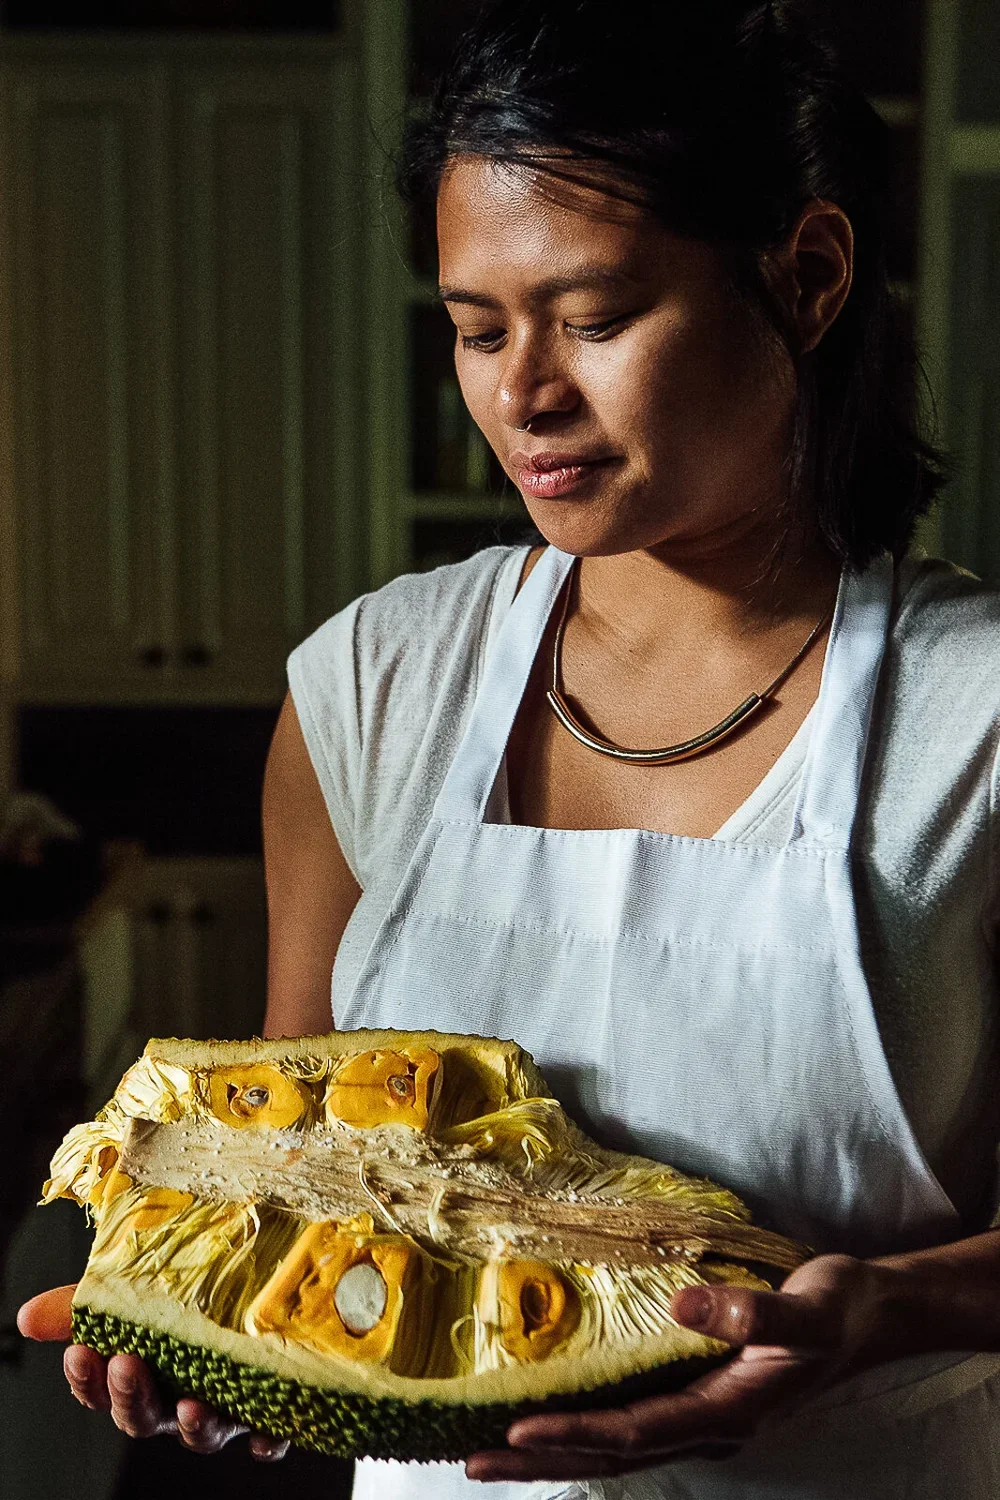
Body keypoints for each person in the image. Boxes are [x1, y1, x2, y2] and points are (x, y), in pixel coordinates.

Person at [18, 0, 1000, 1495]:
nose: (523, 393)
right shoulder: (371, 687)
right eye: (478, 330)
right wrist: (220, 1334)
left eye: (594, 319)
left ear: (806, 277)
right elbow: (290, 1168)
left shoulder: (973, 716)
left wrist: (888, 1311)